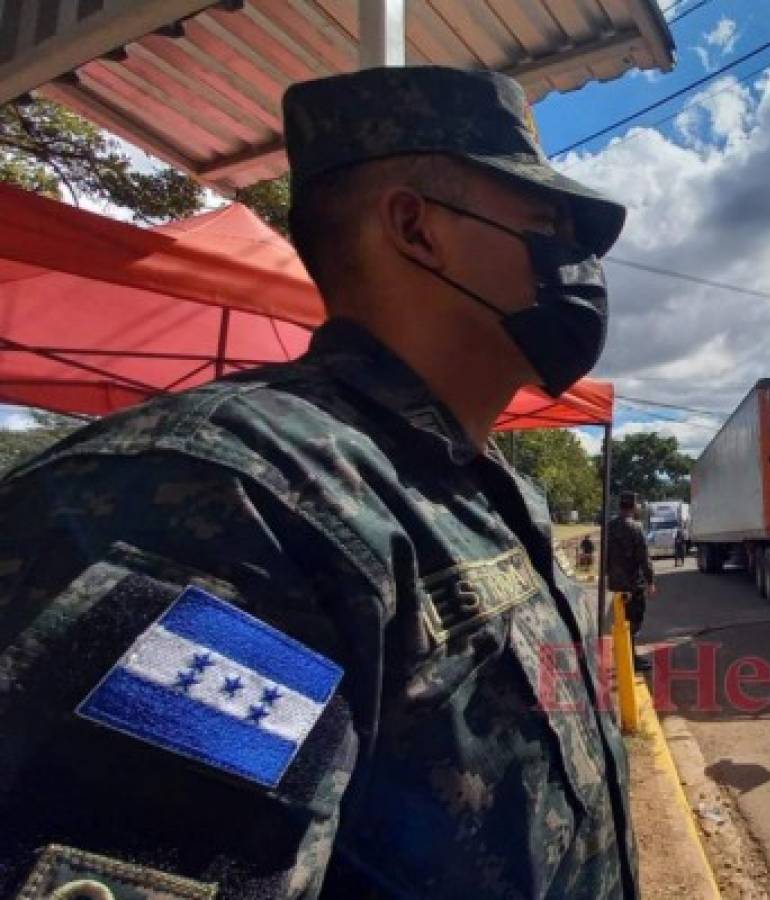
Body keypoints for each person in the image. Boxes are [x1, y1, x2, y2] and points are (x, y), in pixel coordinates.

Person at [0, 67, 637, 899]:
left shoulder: (482, 491)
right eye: (548, 224)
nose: (579, 260)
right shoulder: (230, 501)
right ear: (416, 229)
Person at [606, 493, 655, 670]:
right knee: (634, 621)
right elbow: (644, 558)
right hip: (633, 583)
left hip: (616, 582)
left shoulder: (610, 526)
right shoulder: (636, 527)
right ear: (633, 506)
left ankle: (624, 655)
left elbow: (605, 553)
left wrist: (608, 574)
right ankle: (630, 659)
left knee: (621, 619)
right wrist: (650, 581)